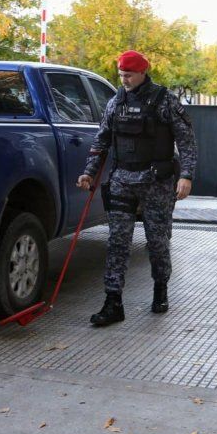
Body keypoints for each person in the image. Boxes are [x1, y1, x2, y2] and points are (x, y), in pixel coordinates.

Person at [77, 50, 197, 327]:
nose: (124, 80)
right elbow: (101, 140)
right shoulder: (115, 102)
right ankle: (113, 303)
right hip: (122, 180)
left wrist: (186, 176)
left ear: (143, 72)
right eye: (121, 75)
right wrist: (89, 172)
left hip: (156, 182)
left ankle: (160, 289)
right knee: (117, 242)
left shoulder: (165, 100)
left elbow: (187, 140)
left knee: (157, 241)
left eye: (129, 75)